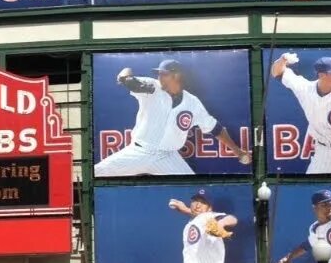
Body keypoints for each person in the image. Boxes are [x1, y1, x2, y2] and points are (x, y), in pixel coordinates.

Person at [94, 59, 251, 177]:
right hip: (139, 151)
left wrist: (237, 151)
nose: (160, 77)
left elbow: (215, 129)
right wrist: (126, 77)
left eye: (164, 74)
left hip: (167, 156)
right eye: (159, 74)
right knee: (97, 173)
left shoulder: (192, 103)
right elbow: (125, 76)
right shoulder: (152, 87)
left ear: (177, 76)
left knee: (193, 189)